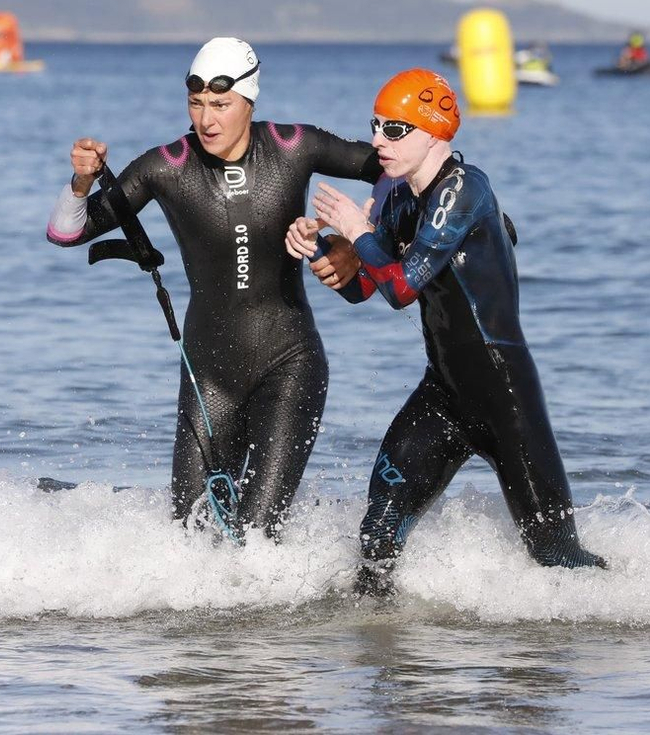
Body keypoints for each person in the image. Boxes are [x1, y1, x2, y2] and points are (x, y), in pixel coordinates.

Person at [289, 68, 605, 594]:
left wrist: (358, 231)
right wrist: (322, 250)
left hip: (504, 393)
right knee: (378, 533)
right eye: (376, 125)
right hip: (444, 393)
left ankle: (645, 624)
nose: (376, 141)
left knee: (555, 555)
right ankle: (382, 655)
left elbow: (402, 289)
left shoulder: (464, 189)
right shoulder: (396, 196)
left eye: (395, 129)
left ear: (433, 131)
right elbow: (368, 289)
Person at [47, 37, 378, 539]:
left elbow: (398, 172)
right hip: (209, 377)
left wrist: (358, 240)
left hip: (289, 366)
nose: (207, 120)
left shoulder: (295, 146)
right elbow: (68, 232)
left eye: (221, 105)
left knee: (258, 536)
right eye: (196, 103)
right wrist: (79, 183)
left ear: (250, 100)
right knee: (189, 538)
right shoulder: (167, 166)